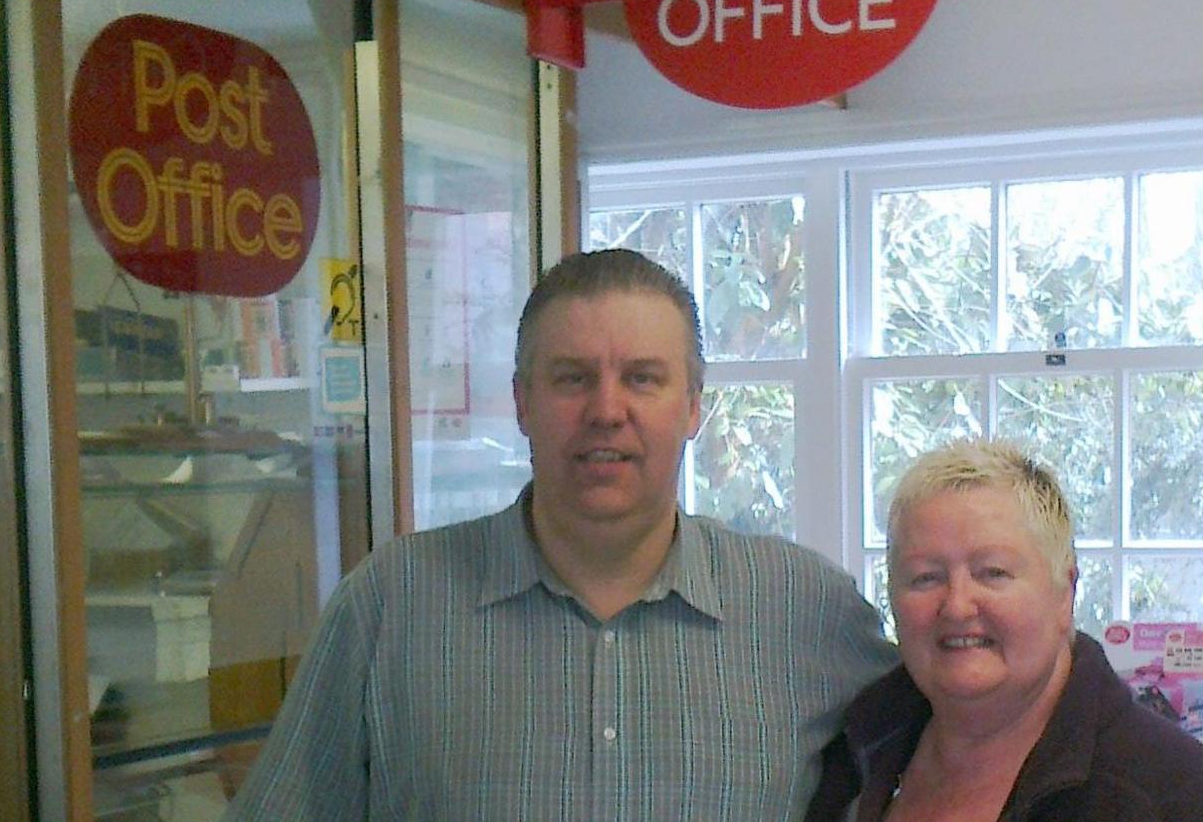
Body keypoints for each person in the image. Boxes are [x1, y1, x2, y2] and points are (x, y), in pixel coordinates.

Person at [226, 248, 895, 819]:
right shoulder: (389, 606)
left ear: (693, 406)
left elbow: (969, 738)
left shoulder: (807, 611)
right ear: (522, 402)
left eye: (643, 378)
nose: (607, 411)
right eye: (573, 378)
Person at [805, 439, 1203, 821]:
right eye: (925, 577)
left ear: (1065, 592)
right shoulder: (854, 756)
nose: (958, 605)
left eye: (993, 573)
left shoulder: (1169, 795)